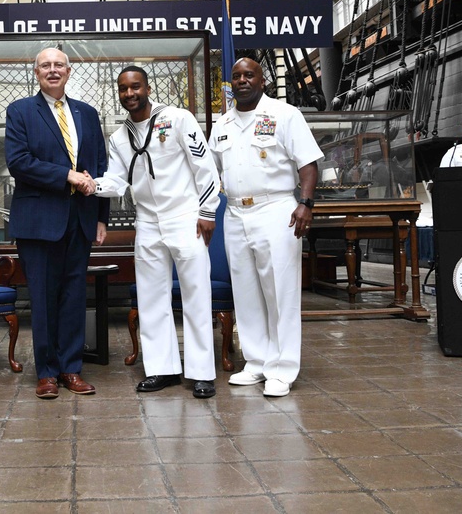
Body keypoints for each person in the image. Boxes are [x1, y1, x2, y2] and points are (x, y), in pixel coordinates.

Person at [91, 66, 220, 398]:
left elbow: (203, 166)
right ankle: (162, 369)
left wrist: (207, 211)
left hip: (185, 217)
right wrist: (89, 184)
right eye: (123, 89)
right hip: (147, 222)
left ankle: (202, 372)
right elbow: (118, 181)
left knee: (195, 293)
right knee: (151, 298)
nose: (130, 94)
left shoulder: (178, 119)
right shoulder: (119, 137)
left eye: (135, 87)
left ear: (148, 88)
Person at [208, 58, 323, 397]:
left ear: (263, 80)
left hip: (276, 209)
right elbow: (213, 170)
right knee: (245, 291)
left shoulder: (285, 115)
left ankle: (282, 369)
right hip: (235, 212)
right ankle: (256, 363)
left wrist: (306, 203)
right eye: (237, 76)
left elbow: (308, 163)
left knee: (280, 291)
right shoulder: (223, 123)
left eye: (249, 75)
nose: (242, 80)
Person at [4, 47, 109, 400]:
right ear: (35, 72)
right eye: (45, 65)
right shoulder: (20, 111)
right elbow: (19, 162)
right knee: (44, 298)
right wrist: (67, 176)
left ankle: (71, 369)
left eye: (58, 65)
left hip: (80, 220)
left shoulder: (88, 114)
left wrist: (102, 217)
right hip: (38, 222)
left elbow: (100, 168)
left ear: (69, 70)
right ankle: (46, 372)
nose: (52, 70)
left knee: (74, 297)